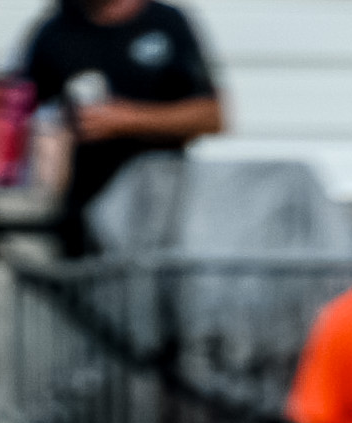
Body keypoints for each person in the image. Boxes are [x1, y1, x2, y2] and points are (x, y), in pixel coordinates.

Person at [20, 0, 224, 259]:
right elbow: (14, 114)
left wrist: (126, 120)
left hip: (156, 219)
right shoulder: (56, 30)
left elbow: (212, 117)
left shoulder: (166, 22)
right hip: (81, 218)